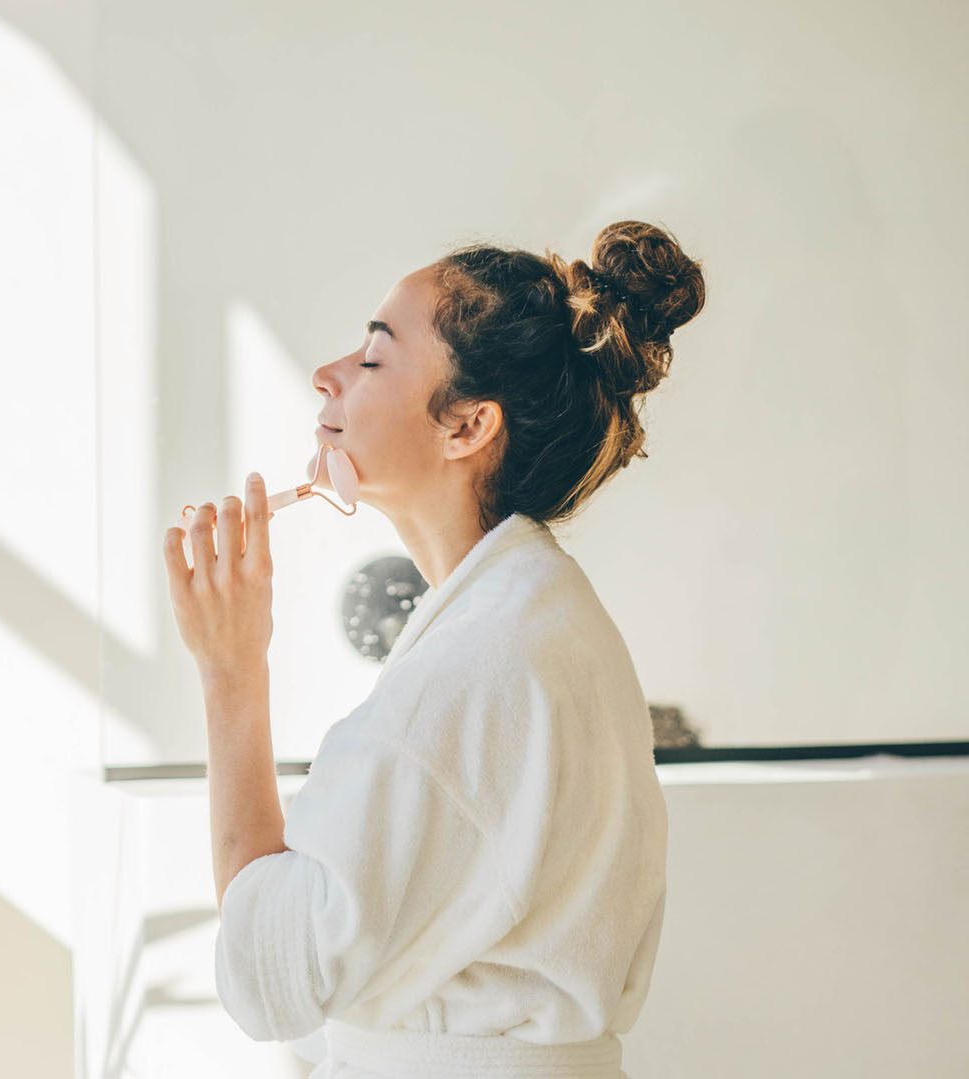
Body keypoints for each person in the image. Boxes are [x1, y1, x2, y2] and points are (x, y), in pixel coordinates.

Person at [162, 220, 706, 1078]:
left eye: (374, 360)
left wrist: (231, 673)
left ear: (466, 426)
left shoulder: (480, 660)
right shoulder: (540, 617)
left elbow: (274, 980)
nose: (328, 376)